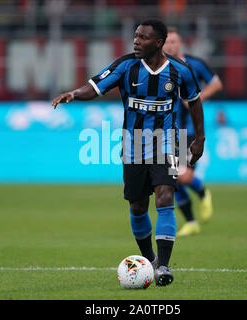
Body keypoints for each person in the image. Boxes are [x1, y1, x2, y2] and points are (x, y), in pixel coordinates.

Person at [52, 19, 205, 286]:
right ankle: (150, 259)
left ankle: (164, 267)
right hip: (133, 144)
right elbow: (95, 86)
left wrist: (199, 138)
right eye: (135, 36)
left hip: (169, 141)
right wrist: (74, 94)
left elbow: (194, 102)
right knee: (137, 205)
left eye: (143, 38)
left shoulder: (181, 70)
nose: (136, 41)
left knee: (165, 194)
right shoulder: (126, 66)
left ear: (158, 42)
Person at [163, 27, 223, 237]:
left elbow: (216, 83)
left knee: (181, 176)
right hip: (166, 131)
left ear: (181, 44)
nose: (170, 45)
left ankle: (203, 192)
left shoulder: (193, 65)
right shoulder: (157, 67)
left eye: (174, 42)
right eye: (167, 42)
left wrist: (196, 99)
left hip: (187, 129)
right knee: (173, 180)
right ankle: (191, 221)